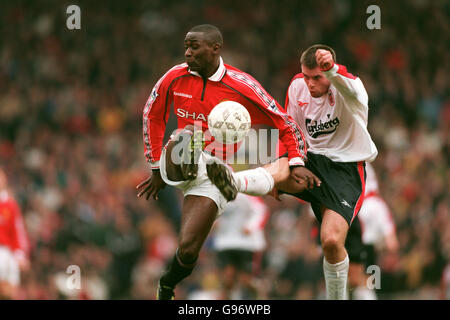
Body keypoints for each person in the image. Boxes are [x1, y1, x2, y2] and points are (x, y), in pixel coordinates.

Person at [136, 24, 319, 300]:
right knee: (186, 135)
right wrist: (154, 167)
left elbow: (283, 121)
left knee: (187, 250)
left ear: (215, 48)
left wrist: (296, 160)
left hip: (214, 172)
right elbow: (152, 114)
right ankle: (180, 166)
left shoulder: (241, 84)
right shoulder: (174, 77)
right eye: (186, 46)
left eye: (194, 47)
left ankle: (167, 283)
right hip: (183, 154)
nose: (187, 52)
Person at [207, 44, 378, 299]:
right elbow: (291, 132)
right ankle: (233, 181)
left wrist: (332, 69)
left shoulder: (349, 89)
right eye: (306, 76)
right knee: (279, 164)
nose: (310, 84)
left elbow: (348, 84)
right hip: (311, 161)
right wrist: (288, 166)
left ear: (329, 73)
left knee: (331, 242)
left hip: (345, 171)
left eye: (317, 77)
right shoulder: (297, 86)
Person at [347, 162, 398, 300]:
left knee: (349, 288)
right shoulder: (378, 205)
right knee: (367, 289)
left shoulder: (350, 204)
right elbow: (392, 243)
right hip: (368, 253)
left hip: (348, 252)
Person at [212, 193, 269, 299]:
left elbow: (261, 210)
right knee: (227, 279)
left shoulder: (247, 190)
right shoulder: (218, 194)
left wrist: (251, 226)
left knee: (246, 279)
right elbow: (211, 211)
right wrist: (214, 222)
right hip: (225, 242)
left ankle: (260, 295)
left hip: (247, 244)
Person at [0, 168, 30, 299]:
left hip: (6, 253)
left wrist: (20, 254)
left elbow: (18, 231)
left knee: (9, 292)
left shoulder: (10, 205)